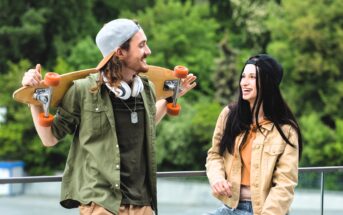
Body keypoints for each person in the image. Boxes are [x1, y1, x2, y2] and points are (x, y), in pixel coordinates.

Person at [21, 18, 196, 215]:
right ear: (120, 52)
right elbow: (50, 138)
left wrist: (170, 98)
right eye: (142, 45)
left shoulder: (146, 88)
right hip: (101, 203)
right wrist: (34, 98)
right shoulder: (83, 90)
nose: (148, 51)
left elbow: (147, 123)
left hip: (142, 202)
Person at [205, 54, 302, 215]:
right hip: (230, 208)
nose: (244, 82)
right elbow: (215, 154)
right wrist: (217, 178)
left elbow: (285, 183)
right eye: (243, 76)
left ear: (268, 83)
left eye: (252, 77)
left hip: (265, 211)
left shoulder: (286, 130)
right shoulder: (229, 115)